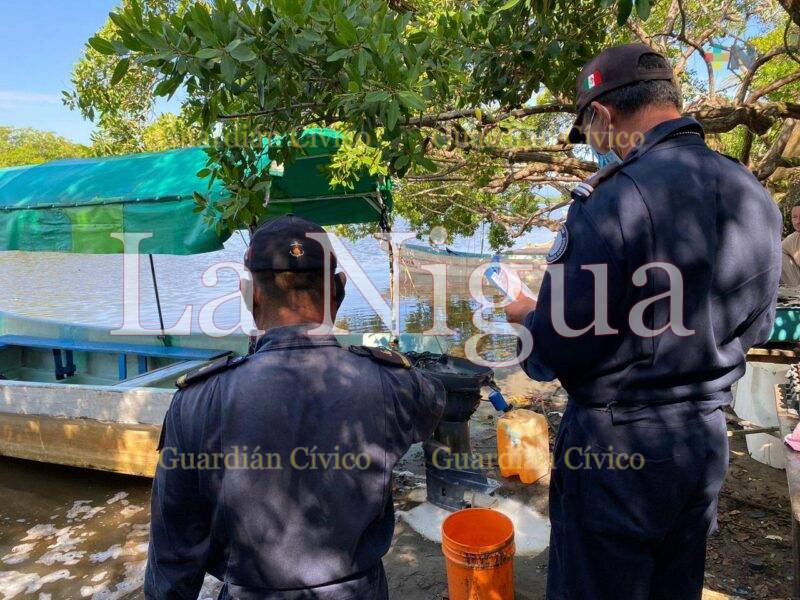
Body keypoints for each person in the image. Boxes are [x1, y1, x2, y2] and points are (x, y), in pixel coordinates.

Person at [505, 44, 782, 599]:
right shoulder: (754, 194)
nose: (591, 147)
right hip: (702, 440)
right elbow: (758, 328)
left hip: (617, 446)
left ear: (603, 116)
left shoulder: (612, 200)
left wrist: (529, 316)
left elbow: (561, 347)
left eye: (586, 131)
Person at [145, 214, 445, 599]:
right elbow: (434, 401)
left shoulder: (197, 402)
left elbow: (173, 558)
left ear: (251, 294)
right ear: (339, 289)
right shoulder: (392, 385)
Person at [781, 202, 800, 286]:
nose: (798, 221)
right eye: (794, 217)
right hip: (797, 288)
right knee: (776, 254)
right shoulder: (792, 239)